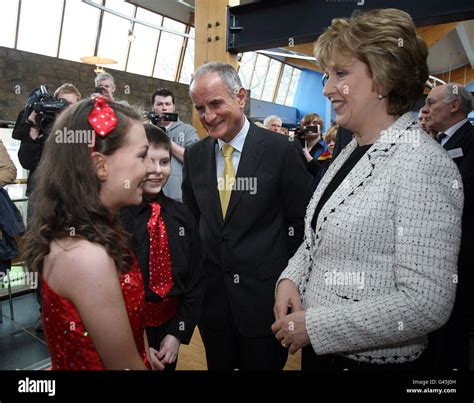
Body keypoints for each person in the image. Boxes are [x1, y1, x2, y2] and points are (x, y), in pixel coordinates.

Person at [272, 8, 463, 371]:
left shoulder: (422, 163)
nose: (327, 87)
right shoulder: (351, 151)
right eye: (328, 74)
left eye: (340, 73)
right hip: (323, 352)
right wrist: (289, 279)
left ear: (384, 77)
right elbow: (318, 239)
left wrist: (315, 325)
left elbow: (427, 302)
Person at [182, 62, 313, 370]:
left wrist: (292, 285)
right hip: (213, 307)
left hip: (265, 305)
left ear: (240, 97)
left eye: (215, 104)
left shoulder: (280, 150)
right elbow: (194, 220)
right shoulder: (195, 156)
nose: (208, 117)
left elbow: (301, 224)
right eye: (200, 108)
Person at [22, 97, 163, 370]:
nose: (150, 169)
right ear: (101, 166)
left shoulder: (95, 233)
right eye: (141, 156)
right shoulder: (86, 256)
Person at [120, 124, 203, 371]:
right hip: (125, 331)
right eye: (148, 162)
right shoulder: (117, 220)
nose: (157, 171)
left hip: (170, 327)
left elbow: (196, 279)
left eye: (164, 162)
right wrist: (134, 340)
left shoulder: (183, 217)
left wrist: (178, 332)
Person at [423, 83, 474, 370]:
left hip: (460, 253)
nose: (426, 109)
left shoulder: (471, 140)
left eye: (431, 102)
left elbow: (459, 192)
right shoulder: (433, 141)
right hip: (434, 254)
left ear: (454, 106)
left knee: (452, 330)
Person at [14, 83, 81, 196]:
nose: (65, 107)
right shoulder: (40, 126)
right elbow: (27, 162)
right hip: (41, 194)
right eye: (61, 102)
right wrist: (34, 128)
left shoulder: (82, 130)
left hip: (71, 196)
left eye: (71, 104)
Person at [151, 89, 199, 202]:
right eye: (159, 104)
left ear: (174, 107)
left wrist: (164, 139)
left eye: (168, 104)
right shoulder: (144, 130)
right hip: (148, 200)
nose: (164, 108)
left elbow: (194, 160)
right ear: (153, 108)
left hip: (178, 199)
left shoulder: (188, 130)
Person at [300, 113, 332, 190]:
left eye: (315, 123)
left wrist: (308, 157)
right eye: (307, 123)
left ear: (320, 127)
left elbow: (325, 174)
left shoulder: (328, 148)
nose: (311, 126)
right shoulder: (297, 145)